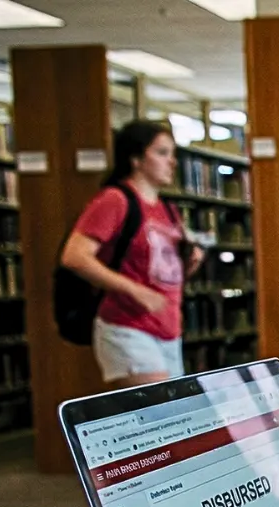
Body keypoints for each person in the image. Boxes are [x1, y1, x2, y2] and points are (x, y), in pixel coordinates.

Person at [61, 120, 204, 388]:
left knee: (172, 417)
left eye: (172, 154)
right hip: (128, 326)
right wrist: (135, 290)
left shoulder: (167, 209)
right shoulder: (115, 200)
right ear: (136, 158)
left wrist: (190, 260)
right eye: (162, 153)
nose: (172, 162)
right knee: (158, 414)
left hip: (168, 328)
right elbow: (74, 256)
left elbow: (164, 274)